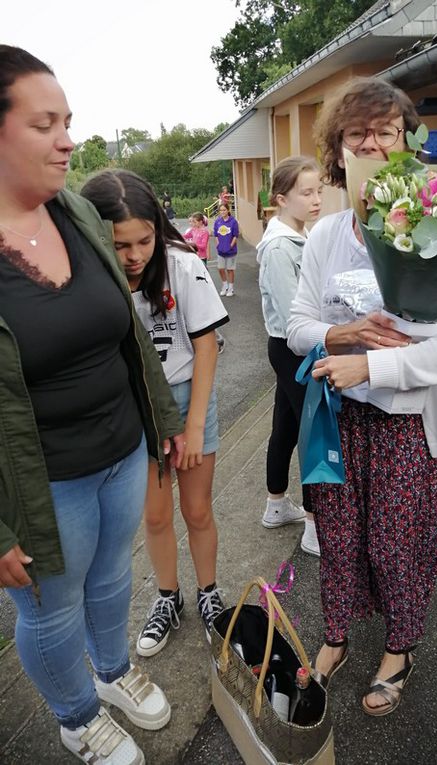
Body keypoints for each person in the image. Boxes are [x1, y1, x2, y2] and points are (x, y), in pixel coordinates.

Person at [0, 45, 185, 765]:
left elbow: (127, 332)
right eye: (45, 124)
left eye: (68, 121)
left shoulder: (74, 209)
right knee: (49, 610)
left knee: (112, 577)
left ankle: (110, 673)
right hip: (40, 484)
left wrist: (160, 421)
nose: (67, 140)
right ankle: (76, 714)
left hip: (120, 449)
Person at [286, 77, 437, 716]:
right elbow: (295, 326)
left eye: (386, 131)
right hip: (337, 422)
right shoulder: (324, 236)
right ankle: (338, 636)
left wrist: (376, 364)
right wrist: (337, 334)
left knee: (395, 543)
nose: (371, 144)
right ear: (338, 151)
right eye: (357, 134)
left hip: (404, 425)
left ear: (407, 144)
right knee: (340, 538)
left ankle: (399, 648)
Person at [81, 169, 230, 657]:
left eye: (144, 240)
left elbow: (206, 348)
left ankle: (210, 593)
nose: (135, 255)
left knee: (197, 508)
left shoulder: (183, 266)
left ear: (158, 228)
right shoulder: (93, 275)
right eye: (121, 245)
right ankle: (169, 597)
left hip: (188, 400)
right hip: (132, 410)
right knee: (156, 514)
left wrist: (191, 423)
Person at [257, 156, 323, 556]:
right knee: (314, 433)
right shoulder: (281, 248)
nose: (316, 199)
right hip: (294, 347)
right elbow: (290, 314)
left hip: (291, 347)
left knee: (285, 425)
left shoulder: (299, 236)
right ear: (282, 199)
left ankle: (276, 505)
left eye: (318, 191)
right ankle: (316, 527)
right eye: (306, 192)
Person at [184, 212, 226, 354]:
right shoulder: (193, 230)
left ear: (201, 222)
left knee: (202, 293)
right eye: (191, 222)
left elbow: (201, 246)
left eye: (194, 221)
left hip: (200, 260)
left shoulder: (204, 232)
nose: (192, 224)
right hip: (194, 260)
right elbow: (184, 237)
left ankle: (217, 339)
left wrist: (190, 244)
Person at [213, 202, 239, 297]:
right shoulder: (217, 221)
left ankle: (231, 289)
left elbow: (235, 236)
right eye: (221, 210)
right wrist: (218, 244)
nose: (222, 212)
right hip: (221, 250)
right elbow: (215, 235)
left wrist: (230, 246)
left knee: (230, 270)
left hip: (231, 251)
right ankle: (225, 286)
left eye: (224, 210)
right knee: (220, 269)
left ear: (228, 210)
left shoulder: (233, 222)